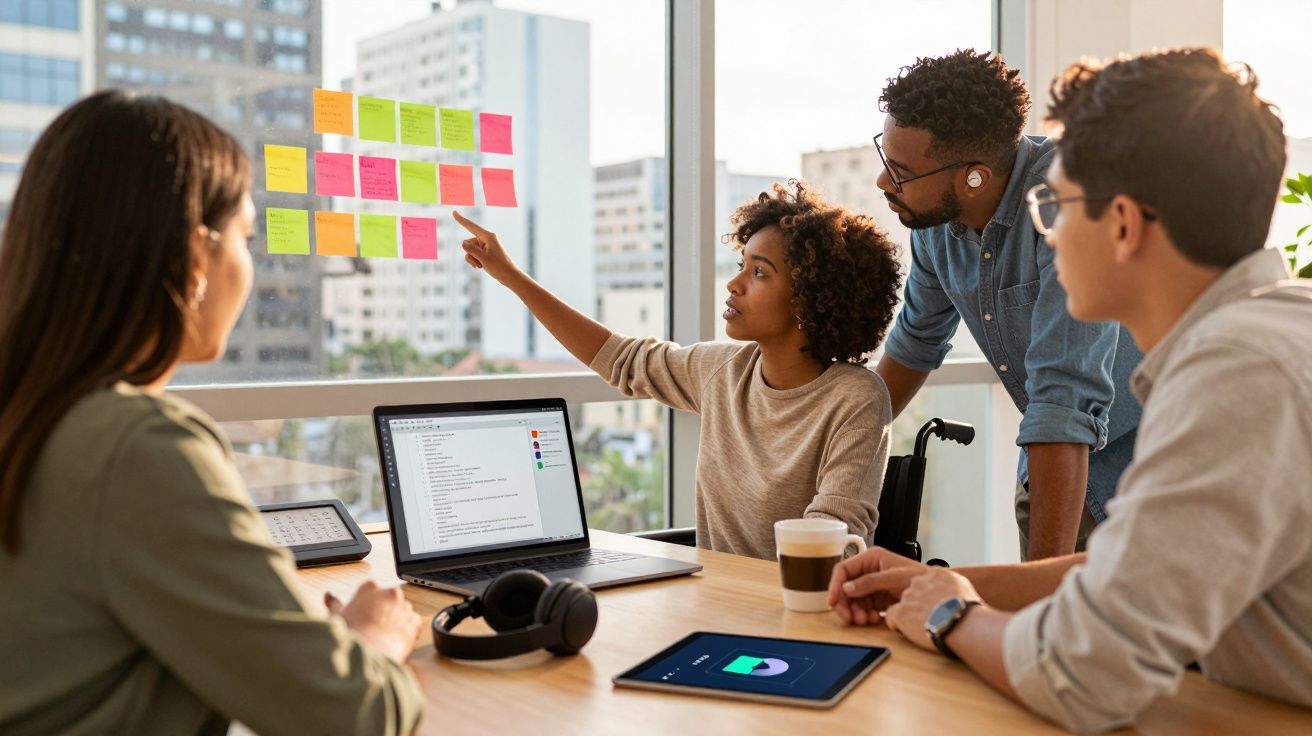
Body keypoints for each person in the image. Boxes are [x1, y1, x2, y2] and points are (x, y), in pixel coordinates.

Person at [829, 48, 1312, 731]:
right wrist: (933, 583)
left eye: (1055, 203)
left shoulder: (1237, 374)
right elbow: (1143, 569)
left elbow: (1084, 673)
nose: (1046, 230)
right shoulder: (1264, 336)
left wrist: (951, 614)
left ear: (1122, 224)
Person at [0, 91, 425, 735]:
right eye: (246, 238)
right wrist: (377, 638)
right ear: (197, 258)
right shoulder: (138, 447)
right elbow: (357, 718)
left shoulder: (34, 414)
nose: (248, 266)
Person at [452, 181, 902, 560]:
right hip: (715, 603)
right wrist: (511, 277)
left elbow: (835, 533)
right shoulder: (722, 370)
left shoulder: (856, 397)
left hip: (800, 613)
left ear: (810, 297)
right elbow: (621, 359)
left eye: (760, 273)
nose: (735, 283)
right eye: (741, 264)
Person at [872, 49, 1142, 560]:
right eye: (884, 159)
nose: (883, 183)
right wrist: (832, 455)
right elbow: (914, 343)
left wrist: (1037, 586)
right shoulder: (934, 225)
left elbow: (1064, 396)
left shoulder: (1067, 203)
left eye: (900, 171)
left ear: (974, 176)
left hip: (1147, 471)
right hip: (1050, 471)